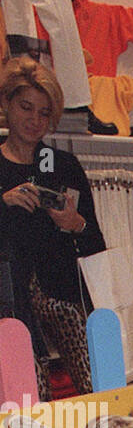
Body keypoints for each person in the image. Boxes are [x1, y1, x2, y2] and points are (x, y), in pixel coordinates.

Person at [0, 55, 105, 401]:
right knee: (31, 400)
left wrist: (74, 223)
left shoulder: (64, 166)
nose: (34, 120)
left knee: (99, 389)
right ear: (7, 104)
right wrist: (4, 203)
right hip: (9, 298)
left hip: (63, 290)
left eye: (44, 113)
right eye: (26, 107)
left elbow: (95, 243)